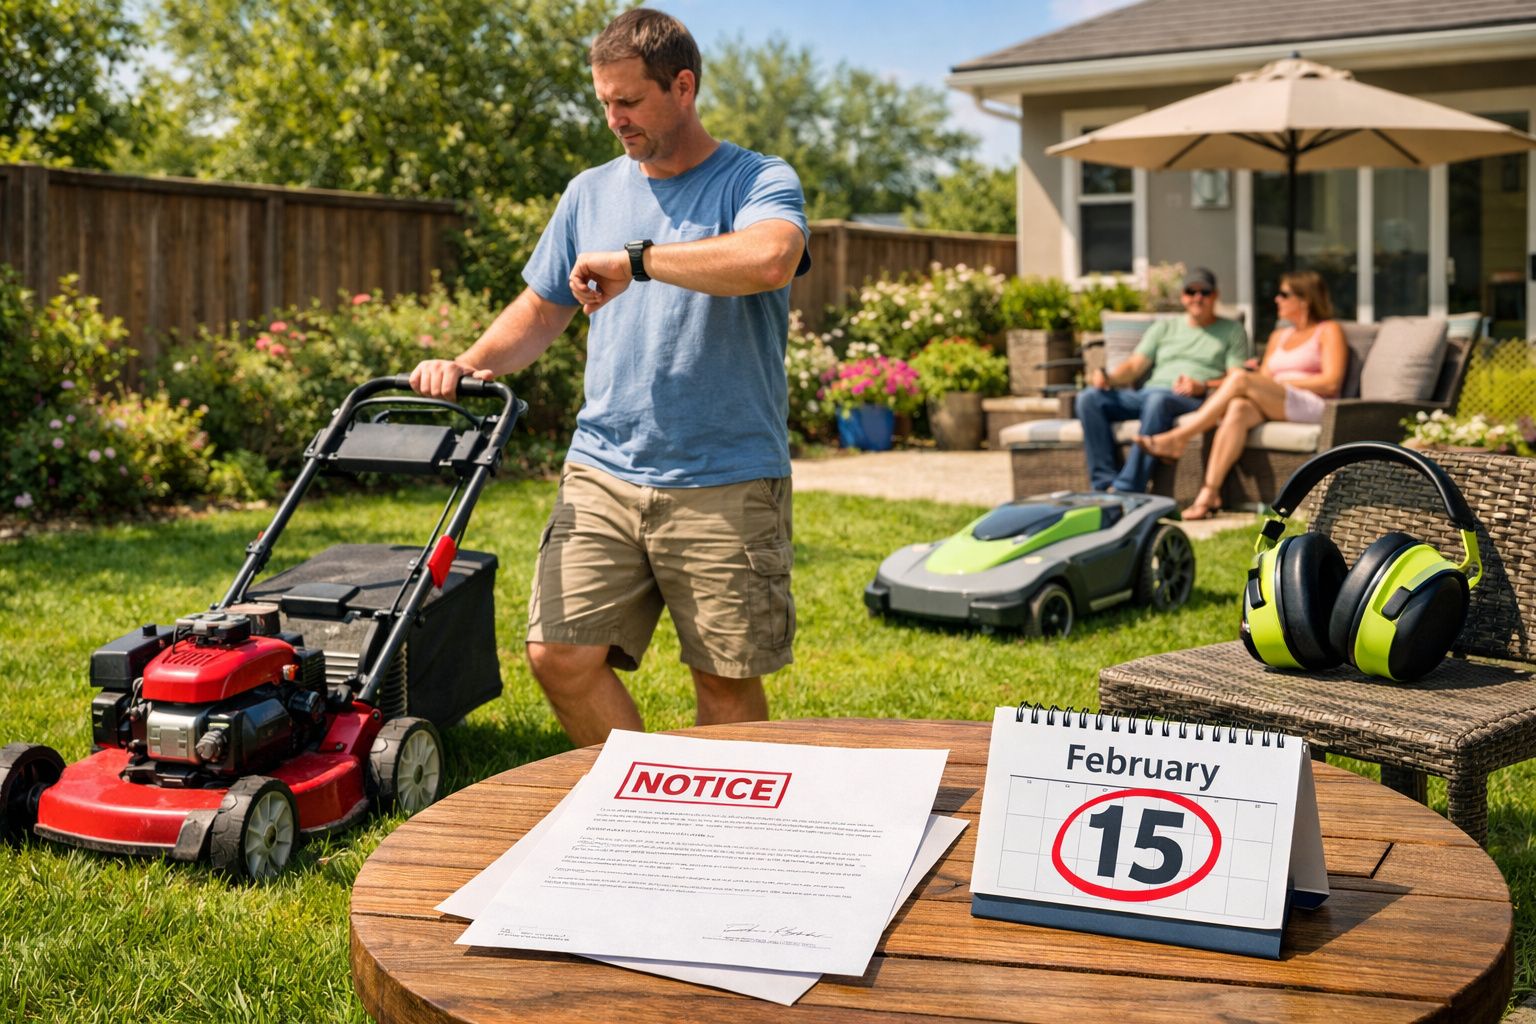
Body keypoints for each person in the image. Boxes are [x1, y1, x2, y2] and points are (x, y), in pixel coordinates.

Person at [409, 8, 810, 748]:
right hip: (605, 467)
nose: (614, 119)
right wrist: (469, 364)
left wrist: (641, 260)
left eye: (629, 101)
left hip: (726, 474)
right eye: (604, 102)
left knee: (723, 679)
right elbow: (542, 306)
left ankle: (727, 836)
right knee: (559, 654)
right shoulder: (588, 192)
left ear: (682, 86)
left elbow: (769, 260)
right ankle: (643, 804)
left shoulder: (755, 179)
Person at [1138, 270, 1347, 519]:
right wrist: (1264, 380)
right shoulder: (1279, 336)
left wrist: (1281, 382)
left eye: (1283, 294)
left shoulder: (1328, 330)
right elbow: (1266, 377)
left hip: (1313, 404)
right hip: (1279, 400)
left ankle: (1180, 438)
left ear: (1305, 299)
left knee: (1238, 379)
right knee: (1237, 407)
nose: (1276, 300)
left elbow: (1332, 382)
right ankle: (1210, 493)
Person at [1074, 267, 1248, 494]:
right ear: (1182, 296)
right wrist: (1109, 377)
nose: (1197, 298)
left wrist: (1202, 386)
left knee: (1157, 400)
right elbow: (1135, 366)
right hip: (1148, 394)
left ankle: (1128, 489)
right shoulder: (1164, 328)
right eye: (1191, 291)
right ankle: (1103, 485)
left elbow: (1237, 377)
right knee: (1089, 399)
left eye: (1204, 292)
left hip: (1192, 398)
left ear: (1215, 295)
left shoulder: (1232, 330)